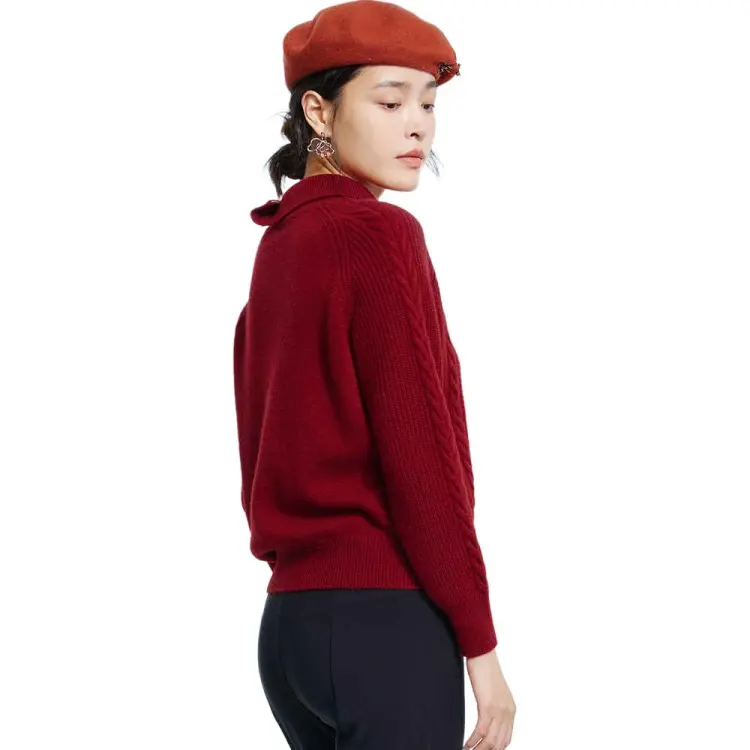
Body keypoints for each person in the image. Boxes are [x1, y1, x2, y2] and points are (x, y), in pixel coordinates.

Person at [233, 2, 516, 748]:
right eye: (390, 103)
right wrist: (481, 646)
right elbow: (422, 459)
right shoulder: (377, 234)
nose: (417, 126)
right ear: (318, 111)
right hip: (384, 622)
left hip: (290, 628)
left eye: (428, 104)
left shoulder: (282, 243)